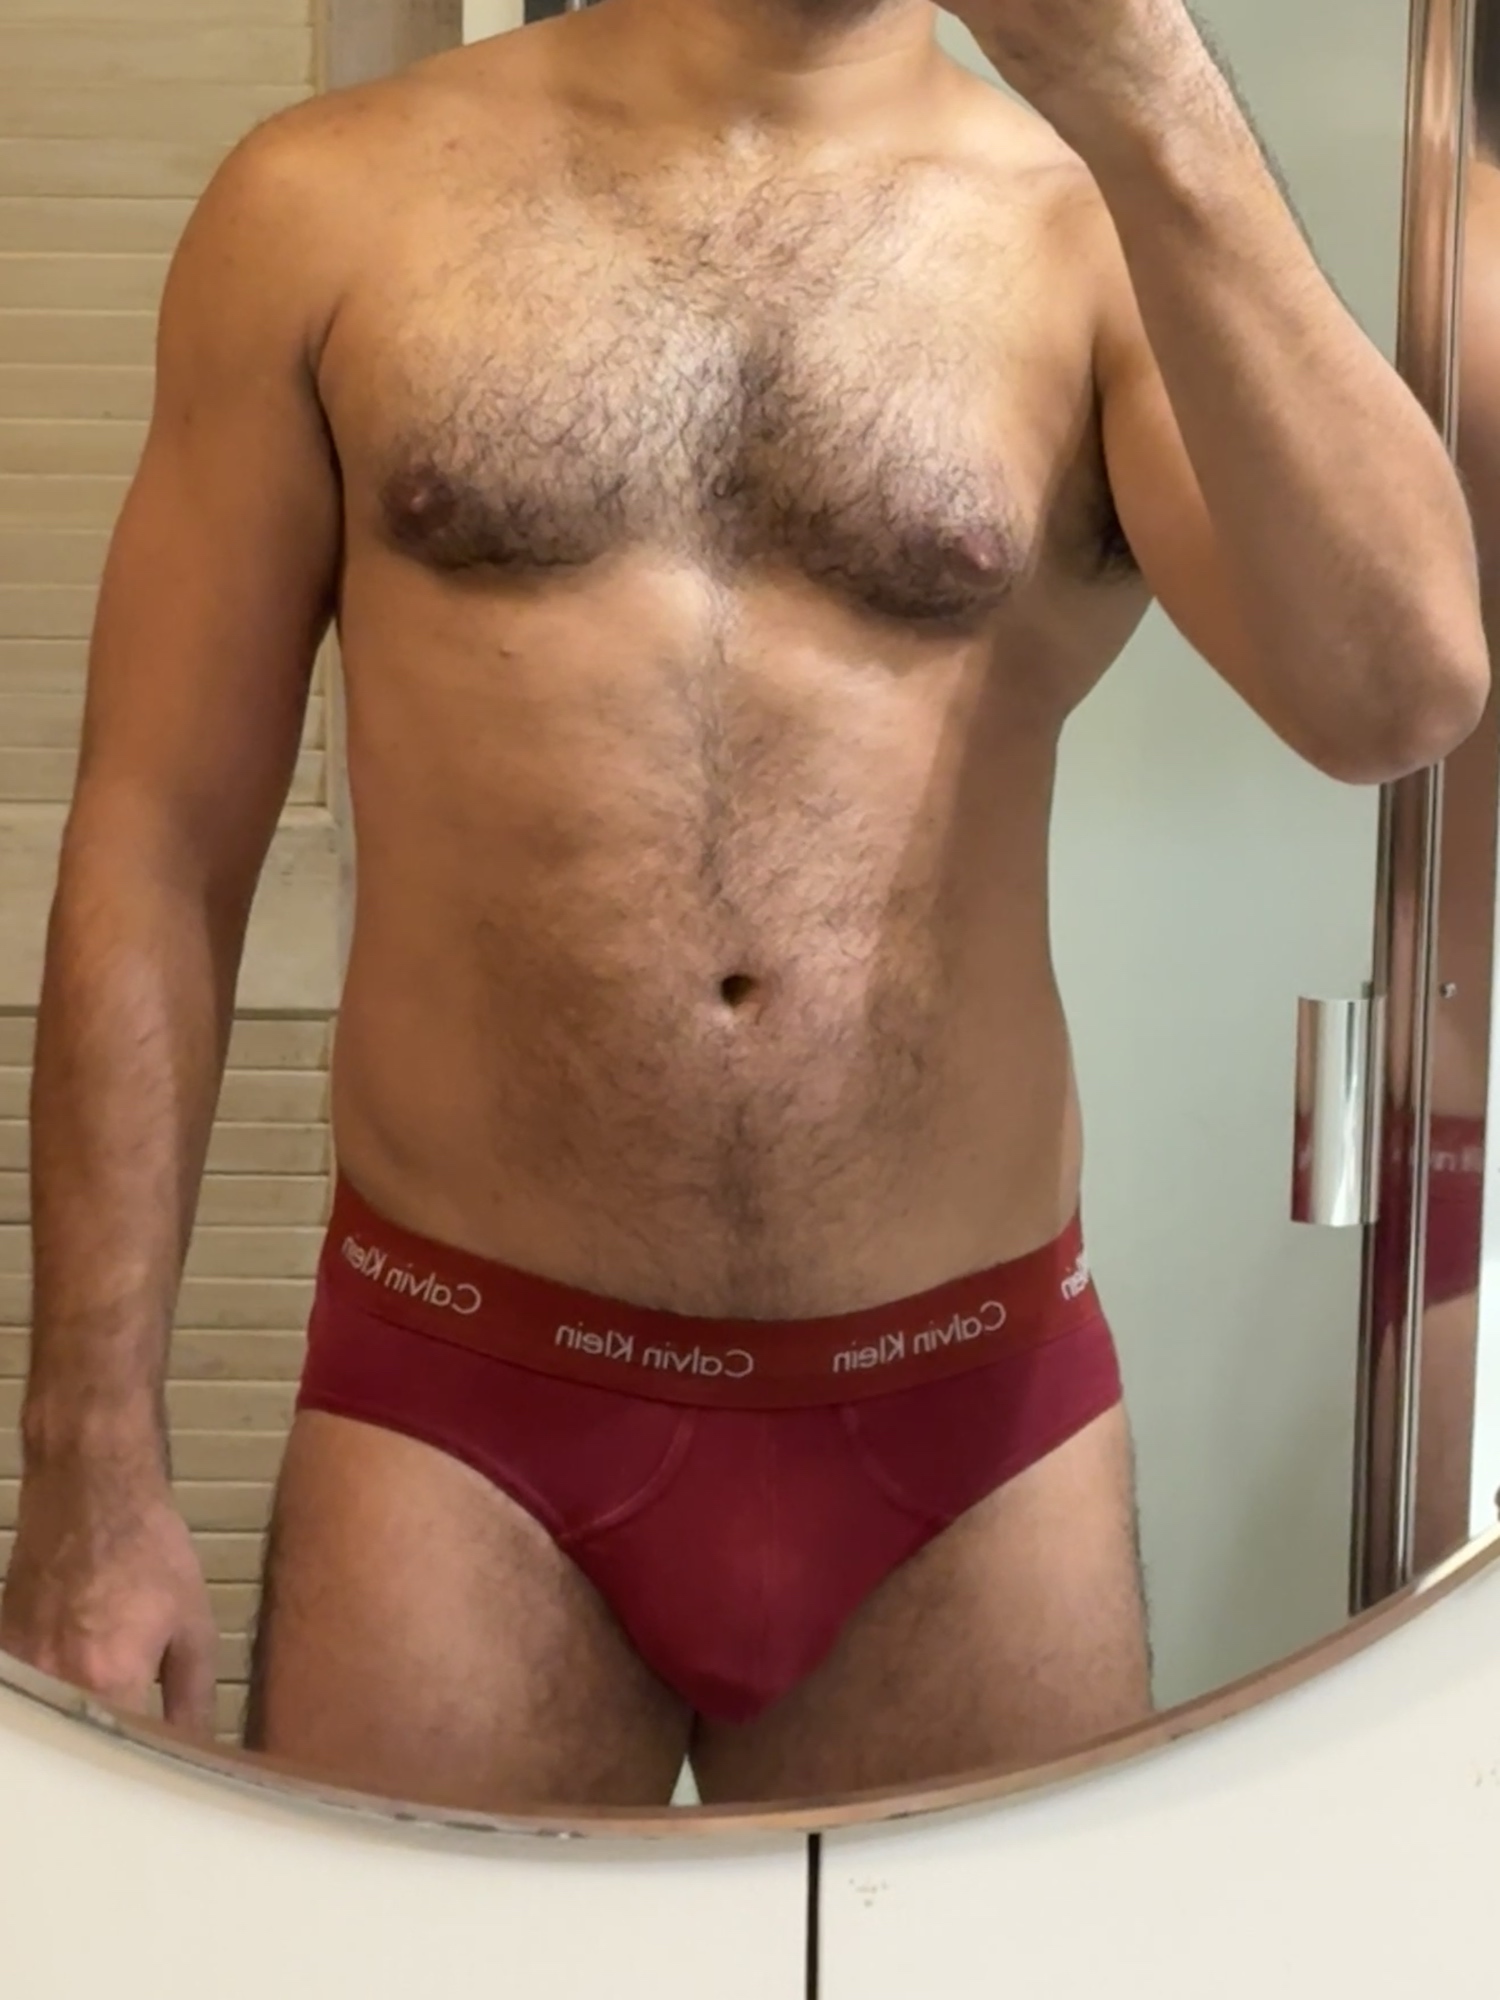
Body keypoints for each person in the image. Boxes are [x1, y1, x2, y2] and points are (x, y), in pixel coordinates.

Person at [0, 0, 1488, 1811]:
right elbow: (159, 840)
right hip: (465, 1405)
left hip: (964, 1427)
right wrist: (87, 1462)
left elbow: (1398, 696)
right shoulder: (329, 204)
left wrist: (1147, 81)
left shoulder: (1088, 239)